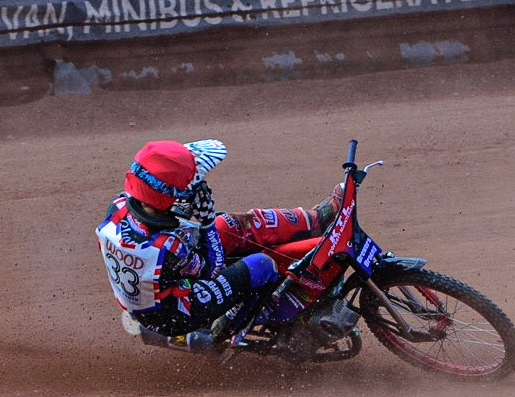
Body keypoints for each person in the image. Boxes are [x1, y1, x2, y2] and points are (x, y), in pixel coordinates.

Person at [96, 139, 343, 351]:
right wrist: (205, 222)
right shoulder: (169, 246)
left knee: (228, 225)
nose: (192, 190)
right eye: (186, 187)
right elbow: (212, 270)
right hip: (174, 314)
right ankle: (221, 328)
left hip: (149, 291)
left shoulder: (118, 207)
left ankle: (316, 218)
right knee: (261, 265)